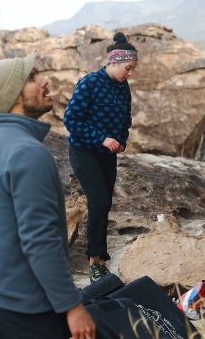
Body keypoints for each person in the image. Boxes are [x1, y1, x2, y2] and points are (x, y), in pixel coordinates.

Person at [0, 54, 96, 338]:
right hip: (27, 306)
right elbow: (40, 240)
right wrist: (72, 306)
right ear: (14, 95)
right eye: (31, 78)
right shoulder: (28, 154)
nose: (44, 81)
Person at [63, 32, 136, 283]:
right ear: (113, 62)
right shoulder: (89, 83)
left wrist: (122, 140)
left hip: (107, 155)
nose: (130, 73)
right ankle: (95, 261)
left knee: (104, 204)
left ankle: (100, 258)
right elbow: (70, 120)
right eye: (128, 68)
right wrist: (101, 138)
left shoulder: (123, 88)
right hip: (84, 151)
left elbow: (126, 118)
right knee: (99, 201)